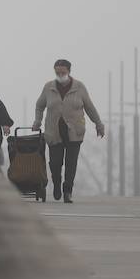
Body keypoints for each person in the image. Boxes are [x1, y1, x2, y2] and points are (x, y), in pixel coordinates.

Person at [32, 58, 104, 203]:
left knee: (71, 163)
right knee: (55, 163)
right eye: (57, 72)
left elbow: (89, 107)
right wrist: (37, 121)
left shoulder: (79, 87)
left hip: (74, 132)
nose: (60, 75)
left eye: (63, 72)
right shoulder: (48, 87)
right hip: (54, 132)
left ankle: (67, 191)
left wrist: (98, 123)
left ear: (69, 72)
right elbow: (40, 105)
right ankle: (57, 184)